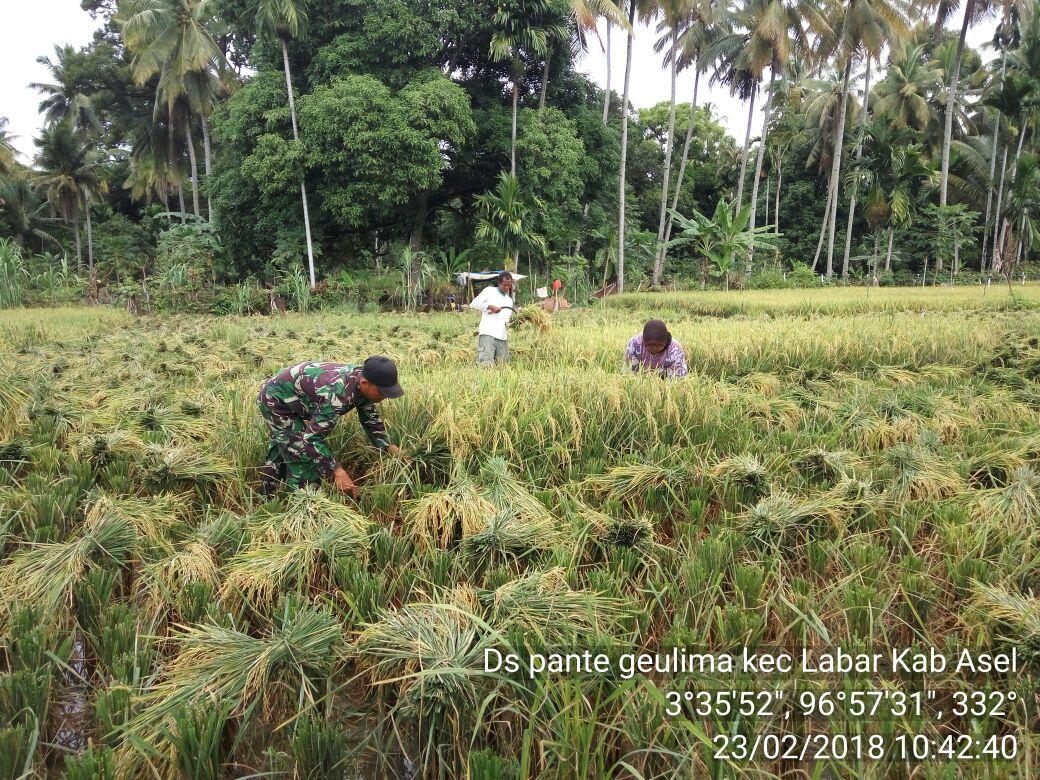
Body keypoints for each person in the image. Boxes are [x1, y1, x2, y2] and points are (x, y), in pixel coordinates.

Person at [257, 356, 405, 497]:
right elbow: (312, 438)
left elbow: (370, 420)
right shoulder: (337, 395)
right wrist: (337, 472)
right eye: (382, 392)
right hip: (276, 400)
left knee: (284, 445)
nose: (385, 396)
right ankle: (305, 503)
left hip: (290, 394)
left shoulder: (361, 380)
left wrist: (388, 446)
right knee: (301, 454)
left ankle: (266, 496)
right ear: (365, 383)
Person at [469, 271, 514, 365]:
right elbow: (473, 304)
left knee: (503, 365)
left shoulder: (509, 300)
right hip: (488, 333)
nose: (507, 287)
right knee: (486, 363)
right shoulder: (489, 291)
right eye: (504, 285)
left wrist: (518, 321)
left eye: (509, 285)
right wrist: (489, 306)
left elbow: (507, 320)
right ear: (499, 283)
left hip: (502, 336)